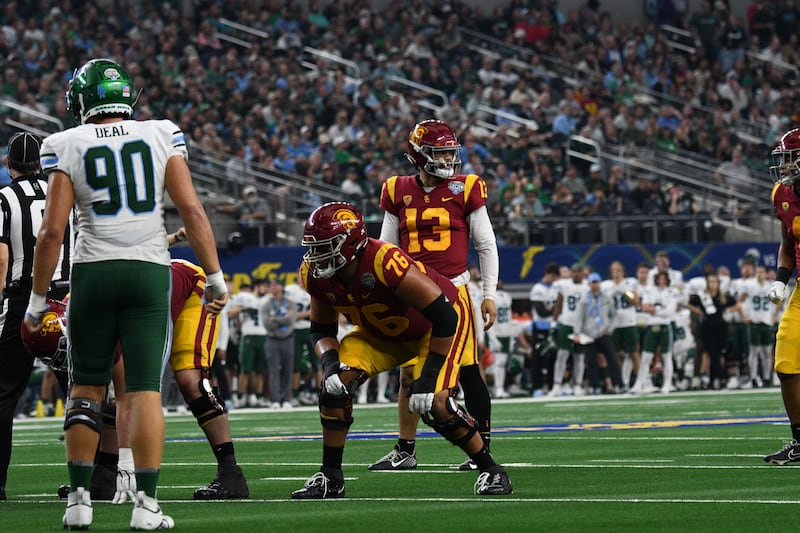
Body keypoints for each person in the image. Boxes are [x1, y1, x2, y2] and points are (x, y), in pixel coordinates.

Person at [23, 58, 228, 530]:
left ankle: (78, 502)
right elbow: (192, 211)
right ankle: (147, 507)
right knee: (143, 393)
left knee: (85, 388)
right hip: (147, 270)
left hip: (93, 271)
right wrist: (215, 277)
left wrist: (36, 303)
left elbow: (52, 233)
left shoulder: (64, 144)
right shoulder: (160, 132)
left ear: (81, 101)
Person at [291, 202, 511, 498]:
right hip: (380, 333)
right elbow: (321, 330)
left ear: (352, 242)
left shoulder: (384, 261)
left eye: (326, 246)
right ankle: (331, 476)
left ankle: (491, 469)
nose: (317, 256)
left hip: (434, 327)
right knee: (335, 387)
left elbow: (445, 316)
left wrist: (429, 376)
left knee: (434, 402)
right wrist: (330, 364)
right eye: (314, 247)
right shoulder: (315, 274)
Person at [371, 119, 499, 472]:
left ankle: (481, 446)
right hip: (414, 291)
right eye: (439, 153)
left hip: (455, 291)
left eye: (449, 152)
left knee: (469, 372)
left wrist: (489, 294)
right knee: (408, 375)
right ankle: (405, 449)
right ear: (418, 156)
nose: (447, 159)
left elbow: (485, 244)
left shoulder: (467, 186)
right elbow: (386, 248)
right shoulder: (397, 189)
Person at [0, 132, 72, 501]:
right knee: (81, 392)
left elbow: (0, 258)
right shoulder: (64, 192)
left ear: (9, 164)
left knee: (5, 394)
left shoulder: (4, 198)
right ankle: (93, 478)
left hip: (21, 300)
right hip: (66, 298)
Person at [763, 128, 800, 465]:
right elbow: (788, 246)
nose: (784, 166)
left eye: (788, 158)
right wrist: (781, 279)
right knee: (786, 365)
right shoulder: (782, 194)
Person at [573, 272, 623, 394]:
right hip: (589, 334)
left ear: (599, 283)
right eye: (592, 282)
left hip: (603, 333)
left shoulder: (606, 299)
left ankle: (619, 385)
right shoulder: (584, 300)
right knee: (591, 362)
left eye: (596, 282)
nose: (595, 285)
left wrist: (609, 329)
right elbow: (579, 318)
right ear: (589, 284)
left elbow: (614, 316)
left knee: (612, 360)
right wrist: (577, 333)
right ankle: (594, 386)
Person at [261, 279, 298, 409]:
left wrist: (274, 319)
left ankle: (287, 398)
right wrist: (283, 319)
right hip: (272, 339)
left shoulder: (290, 303)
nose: (273, 287)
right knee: (273, 370)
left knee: (288, 369)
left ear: (282, 287)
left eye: (276, 285)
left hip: (288, 338)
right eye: (271, 285)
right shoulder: (266, 305)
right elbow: (267, 324)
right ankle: (275, 399)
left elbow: (291, 320)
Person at [527, 261, 560, 397]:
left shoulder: (556, 288)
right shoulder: (538, 289)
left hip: (553, 327)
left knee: (553, 358)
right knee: (538, 358)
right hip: (540, 327)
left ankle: (552, 387)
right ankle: (536, 387)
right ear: (549, 275)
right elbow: (542, 312)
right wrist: (556, 308)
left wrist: (551, 309)